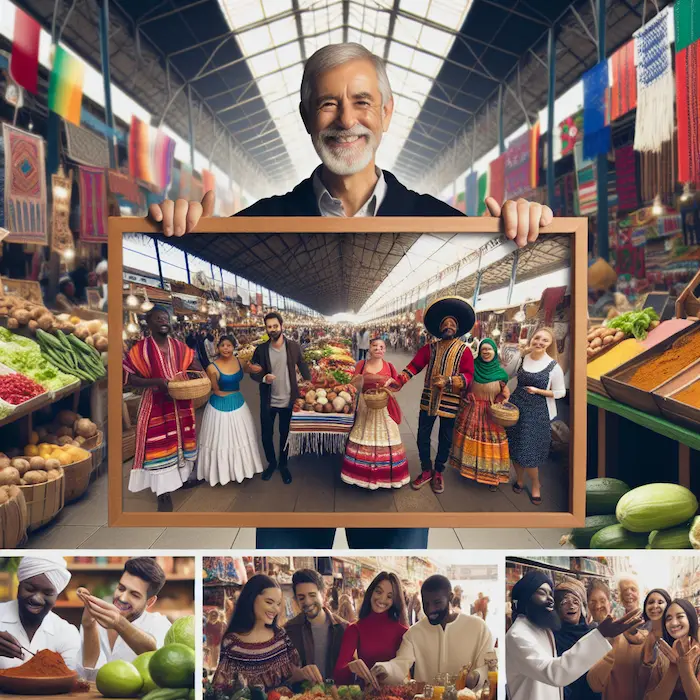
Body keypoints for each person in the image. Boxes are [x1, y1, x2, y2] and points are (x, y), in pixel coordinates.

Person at [149, 42, 552, 550]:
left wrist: (525, 223)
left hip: (424, 425)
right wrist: (182, 228)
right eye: (327, 103)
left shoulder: (446, 222)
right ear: (305, 116)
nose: (346, 119)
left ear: (386, 113)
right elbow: (409, 367)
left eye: (362, 101)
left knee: (396, 567)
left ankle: (424, 471)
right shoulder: (257, 220)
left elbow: (425, 368)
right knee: (288, 567)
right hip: (341, 455)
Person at [506, 571, 644, 700]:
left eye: (550, 594)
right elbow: (555, 672)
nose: (549, 599)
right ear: (525, 597)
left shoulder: (541, 629)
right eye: (542, 593)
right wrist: (601, 635)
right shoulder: (518, 636)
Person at [386, 297, 475, 495]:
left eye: (452, 324)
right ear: (439, 327)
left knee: (445, 437)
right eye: (445, 323)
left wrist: (450, 381)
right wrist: (399, 380)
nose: (449, 326)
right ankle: (426, 469)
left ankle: (439, 471)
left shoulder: (464, 351)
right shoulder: (430, 348)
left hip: (451, 401)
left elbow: (469, 375)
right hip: (429, 399)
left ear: (457, 328)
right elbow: (415, 366)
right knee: (422, 435)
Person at [123, 306, 200, 512]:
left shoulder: (179, 346)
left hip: (181, 404)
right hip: (156, 406)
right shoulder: (140, 350)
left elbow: (195, 365)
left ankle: (182, 479)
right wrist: (156, 381)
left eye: (166, 318)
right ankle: (163, 494)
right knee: (159, 448)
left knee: (182, 443)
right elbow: (130, 378)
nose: (164, 321)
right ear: (149, 322)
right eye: (158, 318)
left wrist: (202, 374)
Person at [371, 575, 493, 690]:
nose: (430, 609)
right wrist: (384, 669)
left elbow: (489, 666)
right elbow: (400, 664)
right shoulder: (414, 633)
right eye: (426, 603)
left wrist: (475, 676)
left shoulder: (478, 627)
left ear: (450, 597)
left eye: (437, 603)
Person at [213, 574, 322, 692]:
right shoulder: (232, 643)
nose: (276, 609)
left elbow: (290, 678)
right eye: (269, 602)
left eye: (278, 604)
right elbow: (220, 691)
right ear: (251, 599)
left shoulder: (281, 636)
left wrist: (303, 674)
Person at [78, 557, 172, 681]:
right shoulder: (95, 619)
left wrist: (118, 622)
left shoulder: (159, 624)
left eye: (134, 595)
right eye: (121, 588)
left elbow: (154, 655)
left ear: (150, 601)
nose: (122, 598)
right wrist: (89, 626)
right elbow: (88, 674)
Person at [247, 312, 311, 485]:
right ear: (266, 329)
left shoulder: (293, 346)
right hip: (268, 400)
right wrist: (262, 377)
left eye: (275, 326)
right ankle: (271, 463)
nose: (273, 329)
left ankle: (283, 464)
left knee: (285, 434)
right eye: (269, 327)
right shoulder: (261, 349)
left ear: (282, 326)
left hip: (288, 400)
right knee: (267, 434)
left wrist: (309, 381)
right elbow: (254, 370)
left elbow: (302, 364)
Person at [505, 327, 566, 506]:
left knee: (530, 452)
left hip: (538, 412)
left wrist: (538, 391)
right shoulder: (523, 358)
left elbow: (561, 392)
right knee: (514, 447)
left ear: (550, 344)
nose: (539, 342)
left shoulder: (553, 366)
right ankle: (520, 479)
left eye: (545, 340)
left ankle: (536, 485)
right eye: (537, 338)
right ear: (531, 339)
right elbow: (508, 375)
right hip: (517, 407)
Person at [341, 337, 409, 490]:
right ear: (369, 349)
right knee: (363, 434)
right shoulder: (361, 364)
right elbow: (352, 385)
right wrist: (359, 382)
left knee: (388, 437)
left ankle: (387, 476)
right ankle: (360, 475)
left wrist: (391, 383)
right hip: (365, 406)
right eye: (375, 346)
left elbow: (397, 385)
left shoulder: (389, 366)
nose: (378, 349)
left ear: (385, 350)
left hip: (384, 407)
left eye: (382, 347)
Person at [197, 335, 264, 486]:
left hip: (239, 404)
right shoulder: (211, 368)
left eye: (229, 345)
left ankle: (244, 470)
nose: (226, 348)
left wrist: (263, 368)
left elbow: (251, 369)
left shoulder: (240, 362)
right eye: (222, 345)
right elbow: (215, 390)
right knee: (221, 440)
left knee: (242, 438)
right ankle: (221, 473)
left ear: (234, 347)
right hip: (218, 408)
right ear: (218, 348)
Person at [448, 338, 511, 492]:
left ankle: (492, 476)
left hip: (491, 414)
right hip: (472, 410)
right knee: (471, 442)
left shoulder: (501, 374)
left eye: (489, 349)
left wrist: (500, 401)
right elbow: (464, 387)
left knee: (491, 445)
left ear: (495, 352)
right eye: (483, 349)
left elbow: (505, 393)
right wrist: (466, 394)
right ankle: (469, 470)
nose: (486, 352)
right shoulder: (472, 368)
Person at [0, 556, 80, 671]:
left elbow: (72, 676)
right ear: (19, 586)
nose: (36, 598)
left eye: (47, 593)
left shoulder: (67, 633)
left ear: (56, 596)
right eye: (30, 589)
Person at [588, 588, 668, 700]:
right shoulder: (625, 638)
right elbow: (595, 683)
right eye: (651, 602)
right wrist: (615, 645)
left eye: (660, 602)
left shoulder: (675, 638)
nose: (655, 606)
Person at [334, 572, 408, 687]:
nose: (382, 599)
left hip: (396, 694)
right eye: (378, 592)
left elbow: (405, 672)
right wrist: (351, 667)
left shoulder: (404, 632)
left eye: (389, 596)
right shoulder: (355, 629)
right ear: (371, 592)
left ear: (395, 601)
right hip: (366, 694)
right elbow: (338, 676)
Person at [285, 569, 348, 682]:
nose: (308, 602)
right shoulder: (289, 630)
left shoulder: (343, 628)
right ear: (296, 600)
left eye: (312, 595)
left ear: (323, 594)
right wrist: (299, 674)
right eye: (301, 597)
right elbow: (284, 677)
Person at [552, 578, 601, 700]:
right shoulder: (553, 637)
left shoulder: (593, 633)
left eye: (576, 601)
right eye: (564, 602)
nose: (571, 606)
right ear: (557, 608)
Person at [644, 598, 700, 700]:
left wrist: (684, 666)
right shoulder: (663, 655)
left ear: (690, 619)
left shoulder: (698, 653)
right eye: (668, 619)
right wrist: (673, 667)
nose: (674, 623)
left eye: (680, 616)